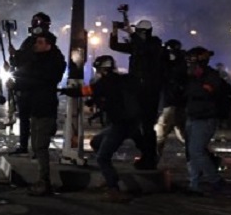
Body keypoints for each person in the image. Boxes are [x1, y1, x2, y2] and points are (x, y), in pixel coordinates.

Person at [76, 55, 143, 203]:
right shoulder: (122, 80)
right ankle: (109, 177)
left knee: (102, 158)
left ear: (102, 69)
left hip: (120, 124)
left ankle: (114, 188)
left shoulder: (106, 82)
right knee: (95, 142)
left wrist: (69, 90)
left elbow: (86, 91)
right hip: (128, 122)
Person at [109, 18, 163, 169]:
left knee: (147, 126)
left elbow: (145, 49)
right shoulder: (137, 45)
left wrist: (131, 34)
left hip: (150, 91)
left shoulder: (154, 44)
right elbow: (114, 46)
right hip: (137, 89)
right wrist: (115, 31)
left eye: (139, 32)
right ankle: (146, 153)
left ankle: (150, 157)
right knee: (133, 124)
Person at [17, 31, 65, 195]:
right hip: (36, 106)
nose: (36, 45)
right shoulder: (38, 59)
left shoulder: (52, 62)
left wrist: (19, 83)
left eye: (40, 42)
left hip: (45, 107)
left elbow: (39, 80)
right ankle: (42, 179)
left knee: (40, 146)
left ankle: (44, 181)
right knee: (36, 146)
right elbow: (25, 70)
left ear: (48, 45)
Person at [183, 47, 230, 195]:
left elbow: (207, 92)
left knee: (196, 151)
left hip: (205, 118)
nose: (189, 63)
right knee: (192, 152)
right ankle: (194, 184)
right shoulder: (190, 76)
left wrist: (197, 81)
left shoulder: (211, 75)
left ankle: (215, 180)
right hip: (192, 116)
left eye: (192, 60)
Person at [8, 12, 52, 154]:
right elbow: (20, 61)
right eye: (33, 21)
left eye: (37, 21)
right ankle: (23, 145)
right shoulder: (28, 41)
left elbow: (34, 60)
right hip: (24, 86)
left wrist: (18, 55)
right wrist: (13, 59)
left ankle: (37, 149)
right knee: (24, 118)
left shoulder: (47, 42)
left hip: (38, 89)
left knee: (36, 121)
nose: (34, 24)